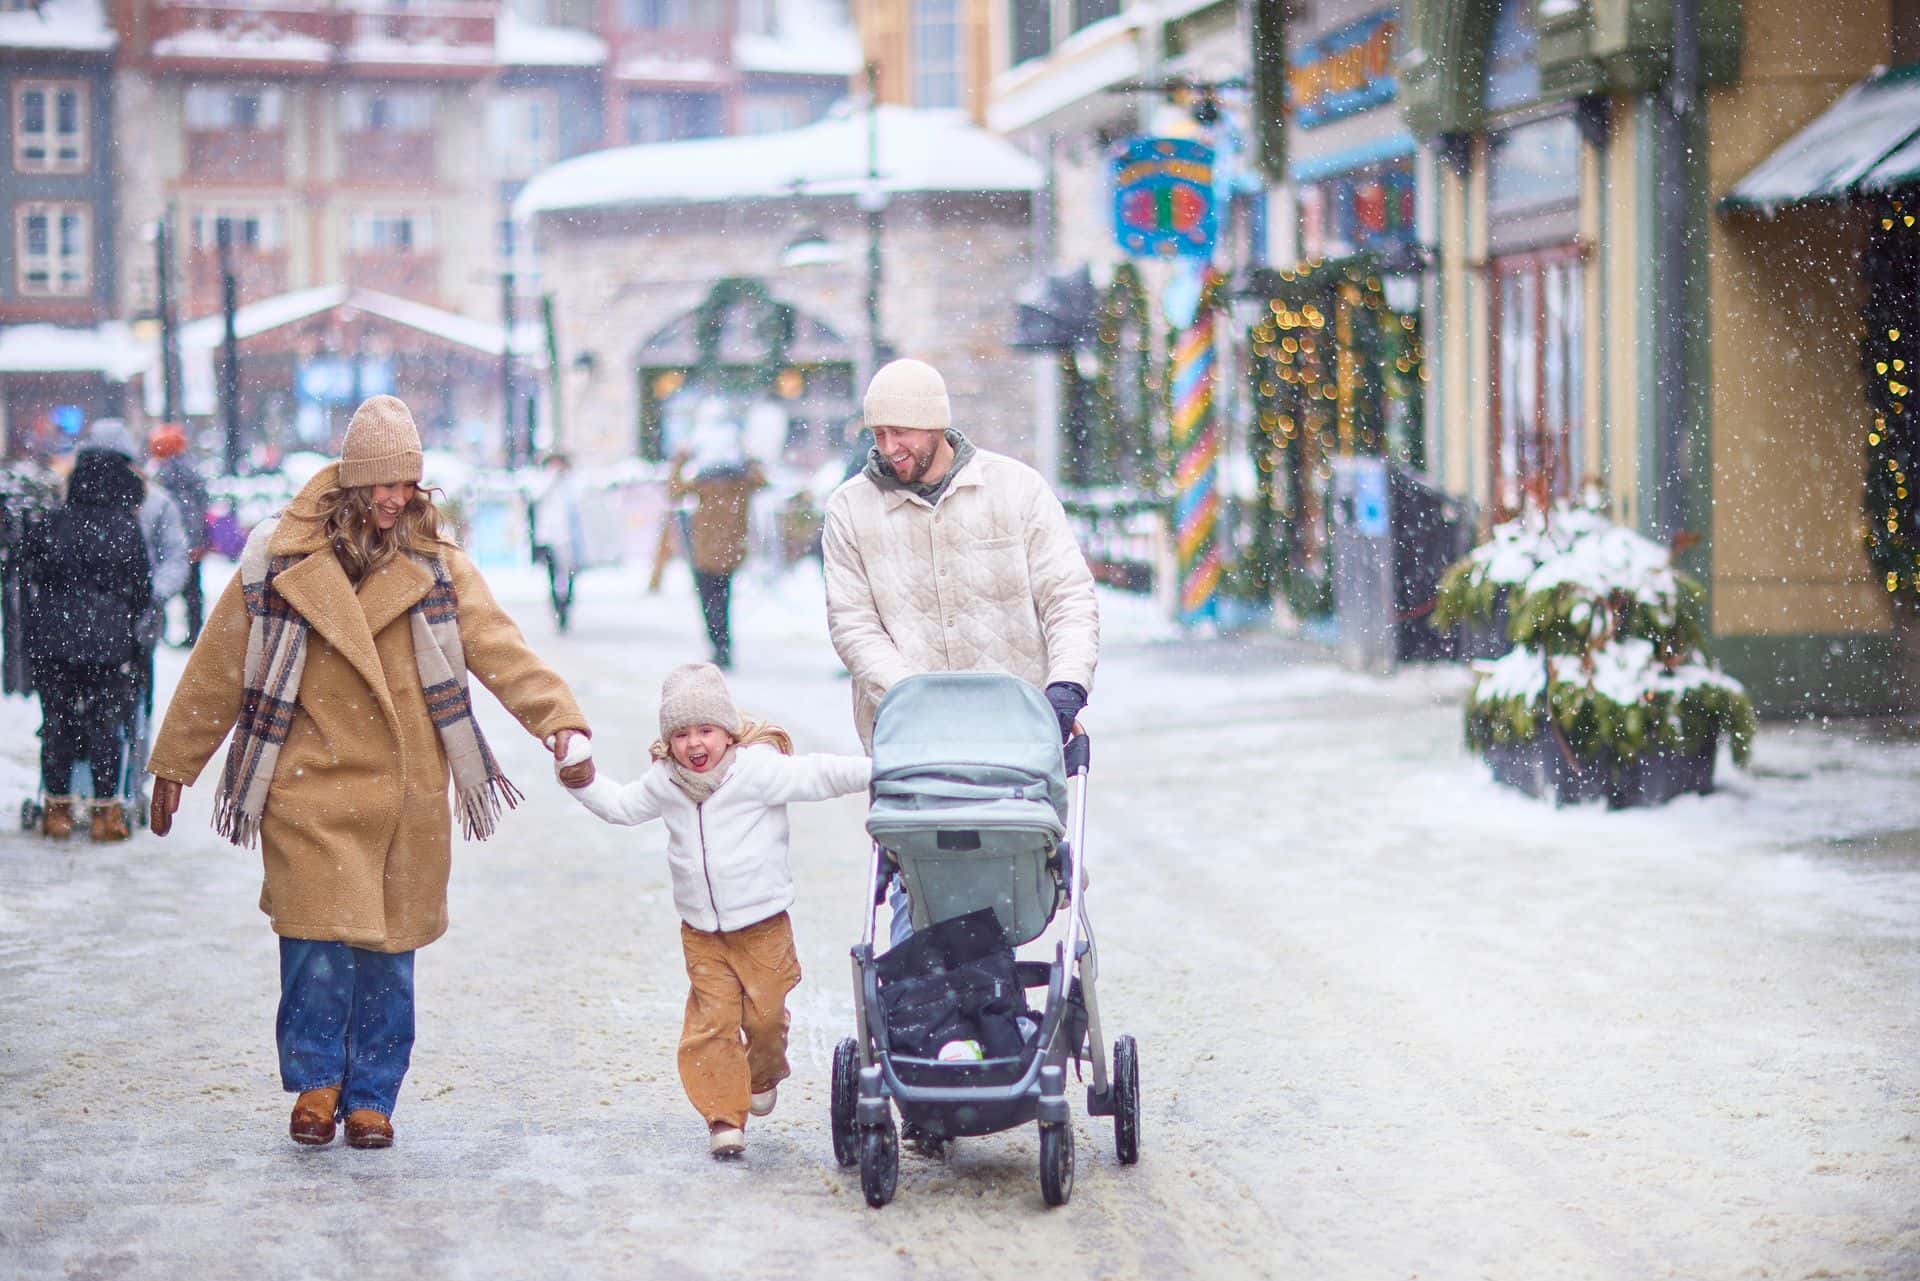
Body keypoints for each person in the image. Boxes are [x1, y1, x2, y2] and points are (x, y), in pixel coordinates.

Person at [145, 395, 594, 1151]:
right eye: (384, 485)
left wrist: (561, 722)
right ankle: (317, 1082)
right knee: (314, 945)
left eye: (409, 485)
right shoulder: (277, 557)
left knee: (388, 957)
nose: (397, 500)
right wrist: (175, 762)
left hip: (406, 785)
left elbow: (499, 649)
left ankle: (373, 1094)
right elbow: (220, 663)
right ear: (353, 482)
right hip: (307, 780)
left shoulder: (437, 566)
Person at [822, 358, 1101, 944]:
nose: (888, 447)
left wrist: (1066, 687)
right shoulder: (851, 510)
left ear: (936, 427)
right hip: (909, 740)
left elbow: (1067, 595)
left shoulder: (1015, 490)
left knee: (1021, 855)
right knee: (923, 873)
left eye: (900, 432)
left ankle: (1039, 994)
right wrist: (914, 699)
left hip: (1017, 736)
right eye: (877, 434)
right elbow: (853, 624)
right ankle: (918, 1001)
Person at [559, 661, 869, 1158]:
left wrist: (883, 770)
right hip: (701, 932)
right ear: (667, 740)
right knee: (712, 1024)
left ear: (727, 731)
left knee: (765, 1020)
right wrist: (582, 780)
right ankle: (724, 1118)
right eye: (680, 734)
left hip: (763, 926)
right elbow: (620, 807)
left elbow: (821, 774)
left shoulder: (758, 772)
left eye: (705, 730)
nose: (694, 744)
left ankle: (765, 1070)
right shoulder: (665, 782)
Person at [22, 446, 152, 841]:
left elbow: (31, 572)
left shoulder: (51, 522)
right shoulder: (124, 527)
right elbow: (142, 587)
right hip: (108, 645)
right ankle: (104, 815)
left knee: (57, 724)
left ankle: (57, 812)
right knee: (105, 725)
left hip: (54, 641)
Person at [669, 412, 766, 670]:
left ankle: (719, 647)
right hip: (730, 552)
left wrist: (680, 458)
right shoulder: (741, 484)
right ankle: (723, 647)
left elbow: (674, 491)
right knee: (722, 600)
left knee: (710, 601)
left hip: (704, 552)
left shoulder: (704, 483)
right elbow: (761, 478)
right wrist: (748, 455)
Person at [148, 424, 210, 645]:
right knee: (192, 591)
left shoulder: (165, 474)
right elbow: (200, 505)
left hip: (174, 540)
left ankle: (160, 631)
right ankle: (194, 633)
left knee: (163, 583)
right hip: (192, 538)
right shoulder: (191, 469)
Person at [530, 452, 586, 632]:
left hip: (570, 540)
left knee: (570, 577)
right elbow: (535, 497)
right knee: (553, 577)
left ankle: (566, 607)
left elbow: (581, 501)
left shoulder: (572, 483)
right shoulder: (541, 481)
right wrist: (552, 478)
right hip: (548, 539)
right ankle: (558, 610)